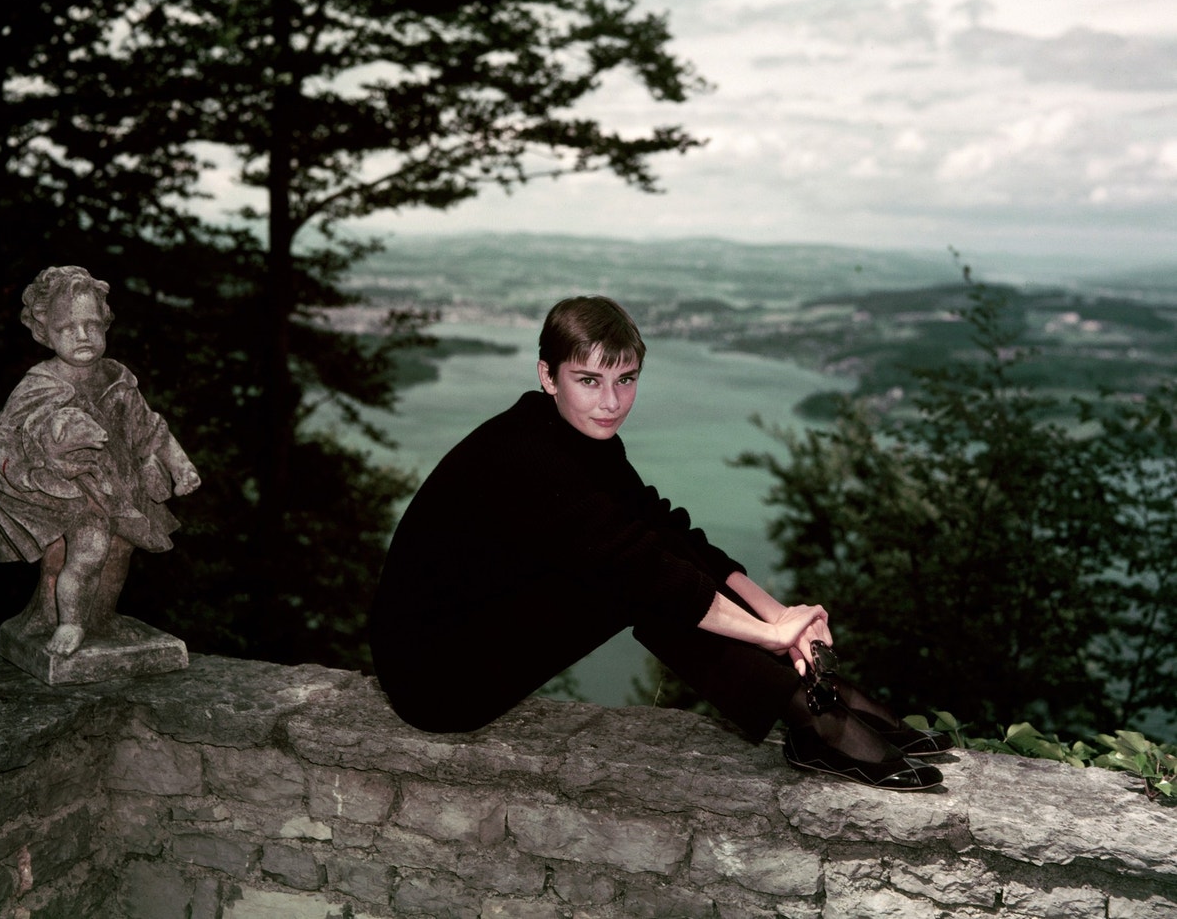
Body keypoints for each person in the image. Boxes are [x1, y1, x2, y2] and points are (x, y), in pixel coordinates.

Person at [370, 295, 951, 791]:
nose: (611, 402)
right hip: (436, 677)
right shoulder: (531, 457)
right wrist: (768, 635)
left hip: (477, 631)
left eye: (625, 380)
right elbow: (644, 570)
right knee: (633, 583)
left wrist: (781, 615)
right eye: (588, 380)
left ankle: (821, 701)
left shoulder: (575, 435)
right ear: (547, 376)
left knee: (651, 543)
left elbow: (666, 527)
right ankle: (815, 719)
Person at [0, 266, 200, 656]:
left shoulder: (117, 376)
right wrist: (31, 466)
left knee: (119, 553)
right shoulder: (40, 382)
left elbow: (151, 429)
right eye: (67, 328)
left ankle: (102, 617)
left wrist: (181, 466)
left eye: (92, 325)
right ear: (43, 332)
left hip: (122, 490)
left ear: (106, 324)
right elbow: (3, 437)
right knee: (89, 551)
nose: (82, 336)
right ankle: (70, 623)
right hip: (78, 493)